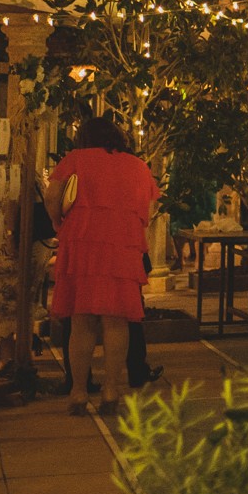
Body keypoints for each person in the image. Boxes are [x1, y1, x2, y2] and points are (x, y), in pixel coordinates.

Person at [46, 115, 159, 416]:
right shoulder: (137, 166)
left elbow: (52, 196)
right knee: (116, 321)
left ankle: (78, 393)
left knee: (81, 322)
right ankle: (111, 389)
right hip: (122, 246)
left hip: (82, 244)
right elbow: (149, 205)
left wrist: (59, 222)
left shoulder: (75, 160)